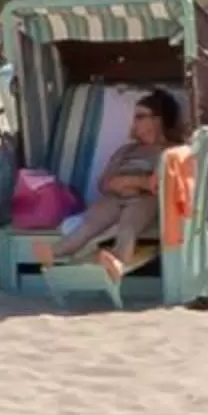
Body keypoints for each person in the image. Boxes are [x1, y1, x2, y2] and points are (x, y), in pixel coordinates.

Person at [51, 89, 180, 281]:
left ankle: (118, 261)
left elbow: (159, 184)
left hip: (145, 199)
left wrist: (132, 183)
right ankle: (52, 254)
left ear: (158, 120)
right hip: (115, 195)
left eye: (140, 117)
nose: (134, 123)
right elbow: (104, 183)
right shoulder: (127, 150)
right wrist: (126, 183)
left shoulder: (171, 151)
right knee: (88, 226)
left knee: (128, 228)